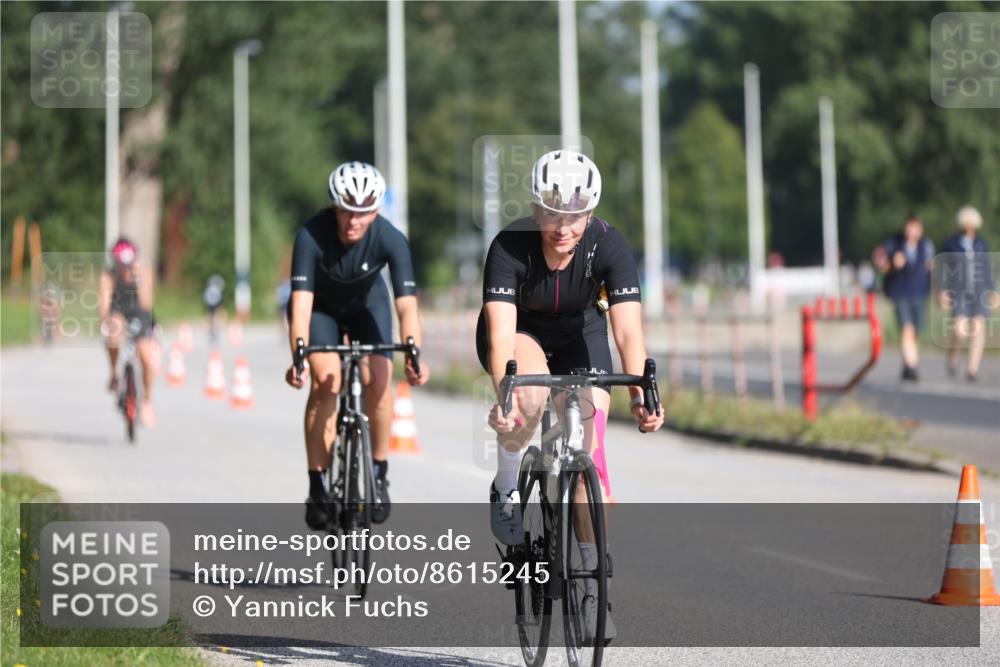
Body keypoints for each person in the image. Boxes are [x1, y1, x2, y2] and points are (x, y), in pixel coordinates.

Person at [477, 149, 665, 641]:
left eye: (575, 214)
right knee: (530, 399)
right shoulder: (509, 247)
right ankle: (506, 484)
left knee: (587, 445)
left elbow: (627, 332)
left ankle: (590, 581)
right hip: (522, 333)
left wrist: (642, 390)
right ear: (536, 209)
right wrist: (506, 396)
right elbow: (500, 336)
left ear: (590, 209)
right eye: (551, 214)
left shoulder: (610, 245)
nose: (563, 227)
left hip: (582, 332)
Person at [284, 161, 429, 530]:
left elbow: (406, 304)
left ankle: (378, 474)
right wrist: (298, 356)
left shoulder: (390, 238)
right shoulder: (311, 235)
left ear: (376, 210)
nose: (354, 221)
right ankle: (318, 487)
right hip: (321, 308)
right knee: (326, 380)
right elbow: (300, 303)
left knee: (380, 380)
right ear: (335, 205)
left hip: (369, 305)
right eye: (347, 211)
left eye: (363, 213)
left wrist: (414, 352)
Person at [98, 237, 157, 427]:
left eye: (128, 264)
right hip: (118, 313)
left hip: (140, 314)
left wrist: (139, 280)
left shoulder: (144, 272)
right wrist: (108, 322)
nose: (125, 268)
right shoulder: (108, 276)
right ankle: (114, 374)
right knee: (113, 334)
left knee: (147, 359)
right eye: (121, 264)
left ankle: (147, 401)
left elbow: (146, 304)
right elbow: (104, 306)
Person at [875, 215, 934, 381]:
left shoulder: (926, 246)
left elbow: (932, 267)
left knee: (916, 331)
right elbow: (882, 267)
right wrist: (893, 264)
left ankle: (907, 364)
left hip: (920, 292)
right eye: (908, 228)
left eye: (914, 228)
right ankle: (913, 366)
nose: (911, 232)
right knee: (906, 328)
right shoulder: (894, 244)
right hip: (900, 292)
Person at [940, 205, 995, 382]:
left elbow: (988, 268)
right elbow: (943, 268)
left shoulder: (981, 244)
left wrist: (993, 291)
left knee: (979, 328)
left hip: (979, 290)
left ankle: (972, 368)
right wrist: (943, 290)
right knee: (960, 330)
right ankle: (953, 357)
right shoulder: (951, 244)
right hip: (959, 290)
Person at [202, 274, 225, 343]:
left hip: (209, 304)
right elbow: (220, 298)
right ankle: (214, 329)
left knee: (210, 317)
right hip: (215, 304)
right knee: (215, 317)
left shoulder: (209, 289)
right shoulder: (217, 290)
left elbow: (205, 298)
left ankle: (211, 330)